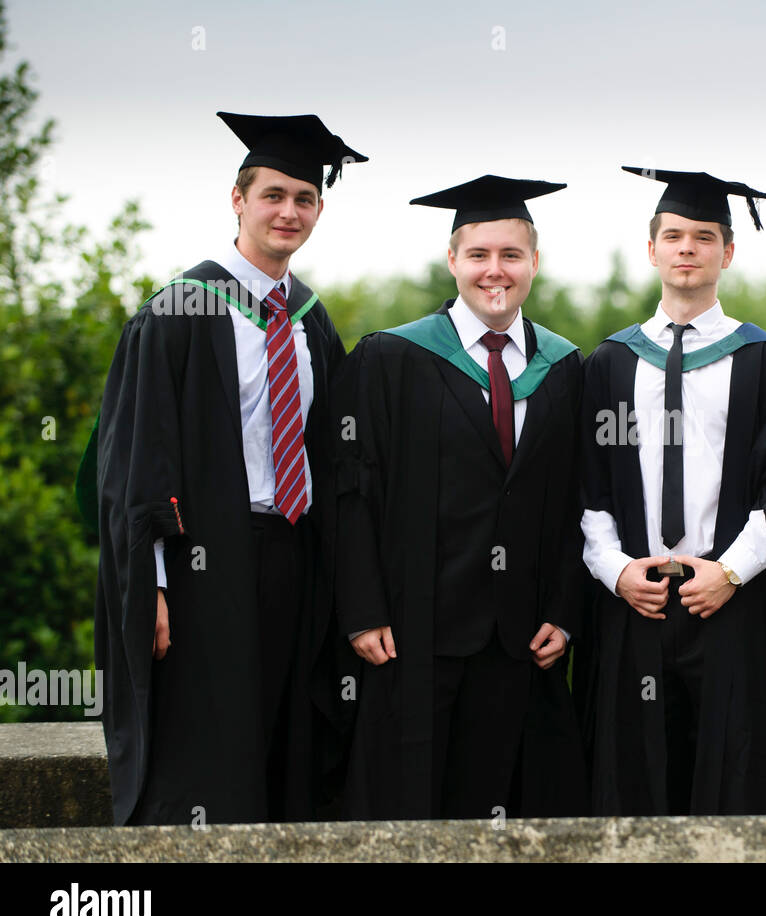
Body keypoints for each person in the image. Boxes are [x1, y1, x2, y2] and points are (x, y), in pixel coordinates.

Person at [86, 112, 367, 824]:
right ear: (237, 200)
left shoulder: (311, 320)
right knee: (205, 736)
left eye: (304, 199)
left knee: (285, 731)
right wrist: (150, 583)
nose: (288, 212)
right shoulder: (178, 310)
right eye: (273, 195)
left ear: (319, 211)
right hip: (202, 563)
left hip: (295, 558)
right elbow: (136, 457)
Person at [334, 175, 588, 820]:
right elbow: (352, 489)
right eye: (478, 255)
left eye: (510, 255)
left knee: (513, 811)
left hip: (523, 639)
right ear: (452, 261)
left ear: (534, 262)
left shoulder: (563, 368)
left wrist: (565, 611)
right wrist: (362, 609)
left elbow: (576, 501)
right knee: (409, 809)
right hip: (414, 631)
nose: (494, 270)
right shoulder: (391, 358)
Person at [579, 167, 766, 815]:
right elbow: (590, 489)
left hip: (729, 604)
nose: (688, 248)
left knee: (733, 784)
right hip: (637, 600)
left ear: (728, 252)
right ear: (651, 248)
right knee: (635, 786)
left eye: (705, 236)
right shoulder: (610, 364)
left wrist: (731, 572)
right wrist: (615, 570)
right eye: (674, 236)